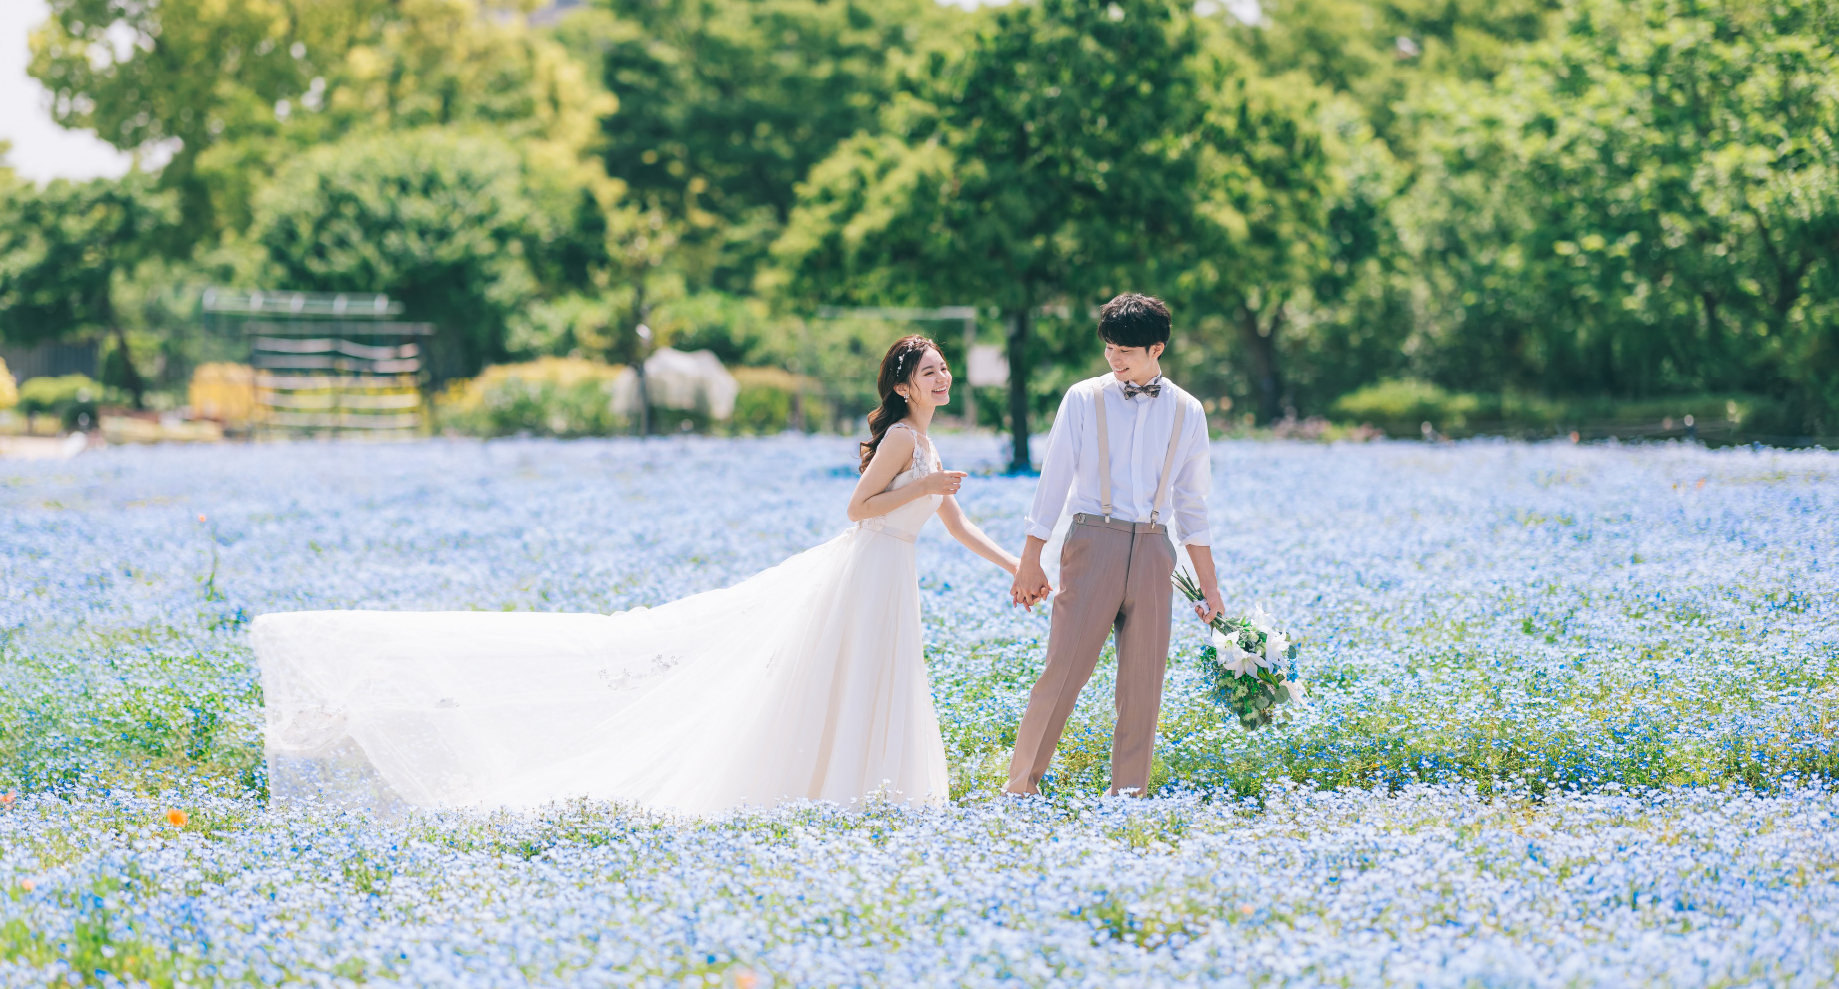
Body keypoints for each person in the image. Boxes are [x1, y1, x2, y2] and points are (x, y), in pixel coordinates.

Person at [252, 335, 1023, 813]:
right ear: (898, 385)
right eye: (930, 371)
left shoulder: (926, 446)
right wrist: (920, 487)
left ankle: (867, 792)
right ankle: (841, 792)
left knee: (878, 680)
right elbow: (859, 509)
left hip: (895, 578)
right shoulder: (899, 443)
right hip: (867, 574)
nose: (942, 379)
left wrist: (1016, 564)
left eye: (945, 370)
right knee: (843, 680)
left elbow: (955, 524)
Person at [1005, 293, 1225, 797]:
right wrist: (1030, 560)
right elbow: (1053, 481)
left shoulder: (1188, 411)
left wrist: (1210, 589)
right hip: (1092, 541)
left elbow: (1192, 505)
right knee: (1062, 673)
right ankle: (1019, 792)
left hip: (1154, 550)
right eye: (1109, 347)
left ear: (1157, 348)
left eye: (1126, 349)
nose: (1115, 358)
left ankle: (1129, 799)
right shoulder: (1083, 398)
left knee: (1143, 689)